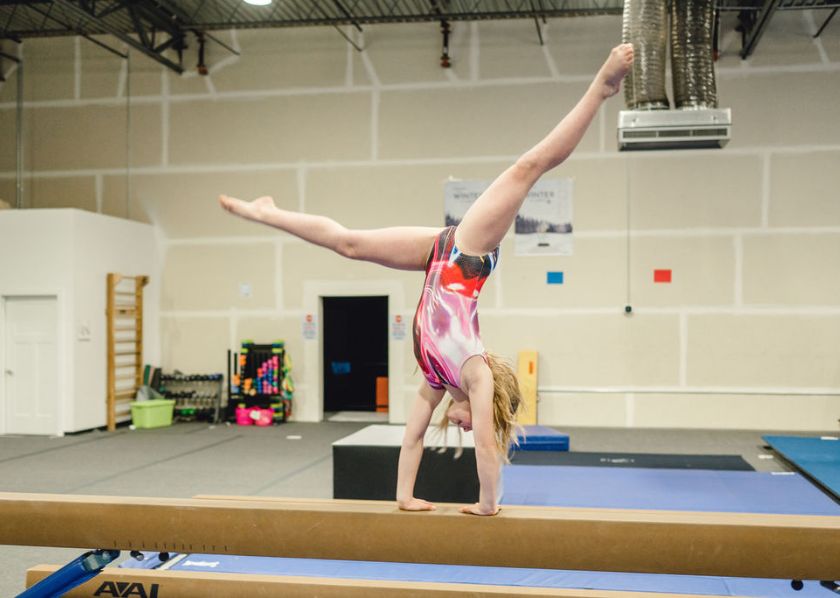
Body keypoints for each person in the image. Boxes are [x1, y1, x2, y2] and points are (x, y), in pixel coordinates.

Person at [219, 43, 634, 516]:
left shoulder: (436, 380)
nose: (461, 427)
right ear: (490, 403)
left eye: (460, 426)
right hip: (470, 255)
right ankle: (601, 90)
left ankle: (266, 213)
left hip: (438, 257)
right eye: (470, 423)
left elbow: (412, 437)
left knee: (349, 245)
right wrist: (487, 505)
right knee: (527, 169)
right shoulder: (475, 373)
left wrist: (404, 497)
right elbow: (487, 447)